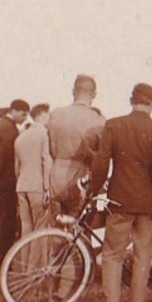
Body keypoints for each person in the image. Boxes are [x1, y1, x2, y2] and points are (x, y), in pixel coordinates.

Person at [91, 84, 152, 302]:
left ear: (130, 100)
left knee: (113, 252)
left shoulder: (114, 125)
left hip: (120, 198)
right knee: (143, 254)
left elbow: (102, 163)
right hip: (150, 201)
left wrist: (95, 190)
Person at [48, 74, 106, 211]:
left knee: (55, 220)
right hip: (79, 174)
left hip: (56, 171)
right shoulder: (98, 120)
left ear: (73, 91)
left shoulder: (56, 114)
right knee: (75, 220)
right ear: (94, 94)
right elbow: (99, 156)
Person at [0, 100, 28, 270]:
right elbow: (3, 160)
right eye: (23, 114)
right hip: (6, 182)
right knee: (6, 222)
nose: (24, 118)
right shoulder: (10, 131)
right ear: (15, 111)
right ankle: (0, 261)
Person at [14, 103, 54, 238]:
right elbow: (46, 161)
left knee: (25, 225)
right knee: (40, 225)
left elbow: (17, 167)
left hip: (21, 185)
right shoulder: (43, 134)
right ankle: (37, 259)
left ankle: (24, 256)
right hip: (37, 186)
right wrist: (47, 188)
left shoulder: (21, 137)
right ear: (42, 115)